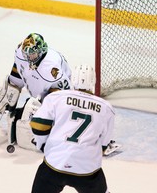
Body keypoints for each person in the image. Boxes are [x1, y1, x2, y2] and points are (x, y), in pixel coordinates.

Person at [30, 64, 113, 193]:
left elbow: (38, 125)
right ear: (93, 82)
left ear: (73, 79)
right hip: (87, 171)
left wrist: (43, 146)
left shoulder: (56, 98)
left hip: (55, 165)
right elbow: (104, 144)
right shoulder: (106, 108)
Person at [0, 33, 72, 151]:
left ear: (41, 51)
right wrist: (12, 89)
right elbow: (18, 67)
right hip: (39, 82)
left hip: (55, 88)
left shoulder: (52, 68)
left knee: (48, 114)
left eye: (32, 54)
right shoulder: (20, 52)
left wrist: (48, 107)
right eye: (26, 54)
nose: (29, 58)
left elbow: (64, 92)